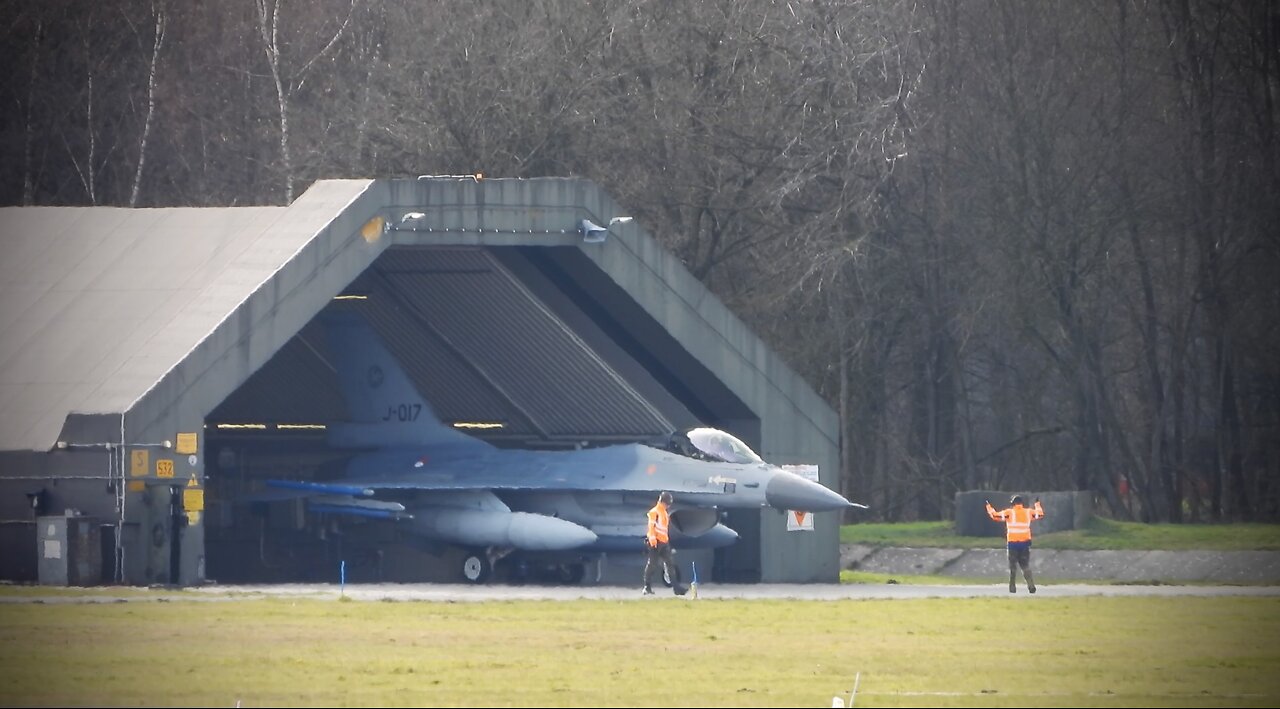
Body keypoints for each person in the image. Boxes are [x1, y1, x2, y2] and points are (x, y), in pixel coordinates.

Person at [985, 495, 1045, 593]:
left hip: (1012, 544)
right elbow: (1040, 514)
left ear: (1012, 504)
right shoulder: (1028, 512)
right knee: (1025, 565)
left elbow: (995, 516)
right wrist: (1037, 504)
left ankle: (1012, 587)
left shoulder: (1009, 513)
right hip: (1025, 543)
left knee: (1012, 567)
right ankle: (1031, 585)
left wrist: (988, 507)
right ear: (1022, 503)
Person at [643, 491, 682, 595]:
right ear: (663, 502)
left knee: (670, 564)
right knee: (652, 565)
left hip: (664, 542)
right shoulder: (654, 512)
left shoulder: (664, 513)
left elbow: (664, 529)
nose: (668, 505)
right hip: (655, 542)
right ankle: (647, 587)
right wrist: (652, 539)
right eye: (668, 503)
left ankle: (676, 588)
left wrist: (667, 541)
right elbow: (651, 527)